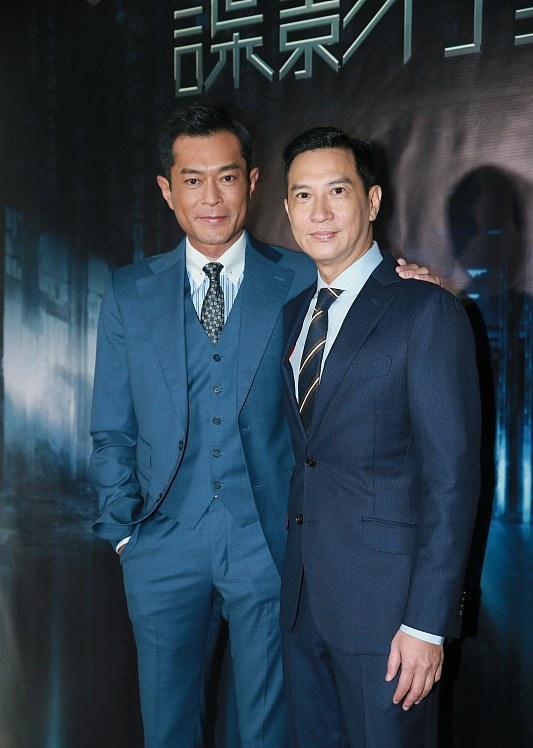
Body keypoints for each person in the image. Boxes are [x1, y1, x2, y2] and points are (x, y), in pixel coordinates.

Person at [89, 104, 436, 748]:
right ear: (166, 190)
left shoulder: (304, 272)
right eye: (193, 180)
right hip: (161, 545)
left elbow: (379, 299)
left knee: (269, 729)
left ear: (251, 182)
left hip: (269, 545)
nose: (211, 197)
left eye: (227, 177)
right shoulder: (128, 292)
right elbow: (110, 427)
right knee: (167, 727)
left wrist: (419, 283)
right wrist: (125, 533)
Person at [280, 127, 481, 748]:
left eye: (337, 191)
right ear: (286, 208)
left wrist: (426, 624)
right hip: (303, 606)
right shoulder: (294, 315)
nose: (319, 212)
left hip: (389, 620)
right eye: (303, 195)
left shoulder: (426, 310)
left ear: (371, 201)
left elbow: (452, 479)